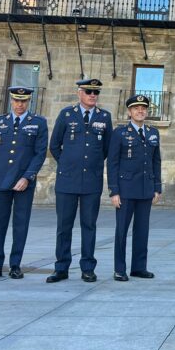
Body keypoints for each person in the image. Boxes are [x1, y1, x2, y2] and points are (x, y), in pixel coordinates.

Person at [0, 87, 48, 279]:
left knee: (20, 224)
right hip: (0, 180)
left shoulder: (39, 123)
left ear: (29, 102)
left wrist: (27, 177)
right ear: (11, 101)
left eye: (24, 101)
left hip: (24, 182)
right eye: (17, 101)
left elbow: (40, 153)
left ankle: (15, 264)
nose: (20, 105)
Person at [47, 78, 112, 283]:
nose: (93, 95)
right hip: (67, 181)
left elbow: (106, 149)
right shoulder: (66, 114)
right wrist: (67, 163)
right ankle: (61, 267)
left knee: (89, 225)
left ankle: (87, 268)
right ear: (79, 93)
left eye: (95, 92)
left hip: (91, 182)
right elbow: (55, 145)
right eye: (88, 91)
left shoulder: (105, 117)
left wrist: (90, 166)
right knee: (64, 226)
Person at [107, 94, 161, 281]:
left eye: (143, 108)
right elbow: (112, 163)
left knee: (142, 230)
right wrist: (114, 190)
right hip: (126, 189)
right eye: (136, 108)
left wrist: (157, 187)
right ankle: (119, 268)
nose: (140, 111)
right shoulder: (119, 133)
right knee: (122, 230)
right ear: (129, 111)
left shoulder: (153, 132)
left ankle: (139, 267)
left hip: (146, 189)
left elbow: (156, 161)